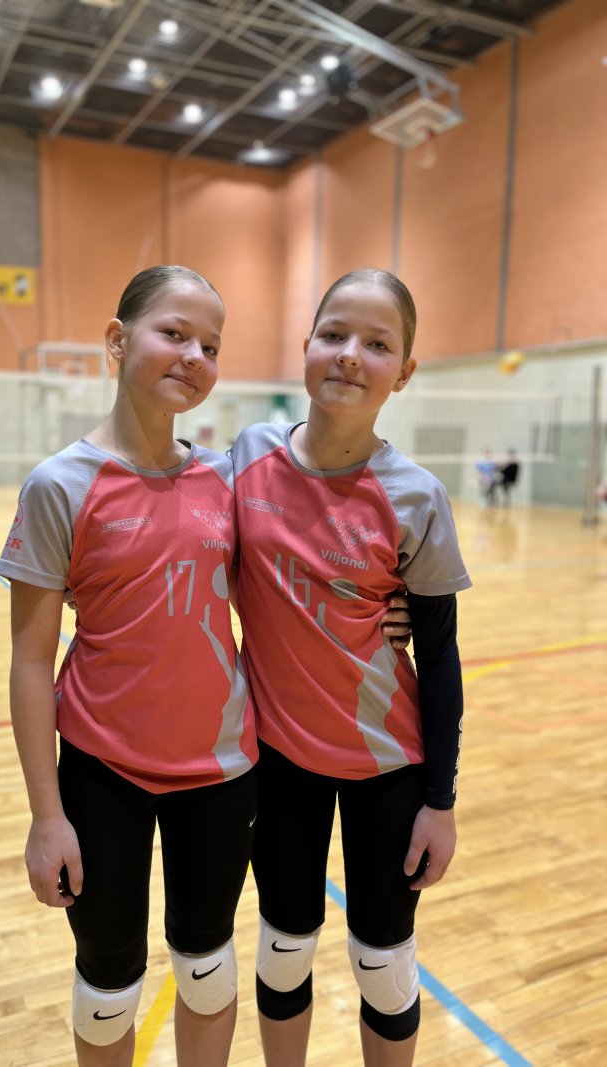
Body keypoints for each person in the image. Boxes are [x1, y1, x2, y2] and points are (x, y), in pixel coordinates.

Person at [0, 265, 413, 1067]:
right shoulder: (59, 486)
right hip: (102, 771)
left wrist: (404, 606)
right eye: (174, 333)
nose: (194, 356)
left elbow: (312, 557)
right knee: (108, 986)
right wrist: (46, 816)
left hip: (222, 773)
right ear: (118, 341)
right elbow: (28, 661)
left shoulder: (228, 477)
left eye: (211, 345)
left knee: (208, 968)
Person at [232, 268, 471, 1067]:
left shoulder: (416, 497)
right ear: (305, 345)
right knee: (283, 949)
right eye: (333, 334)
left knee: (384, 963)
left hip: (388, 768)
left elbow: (440, 657)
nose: (348, 354)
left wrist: (440, 801)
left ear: (404, 372)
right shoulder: (245, 459)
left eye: (377, 344)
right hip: (278, 764)